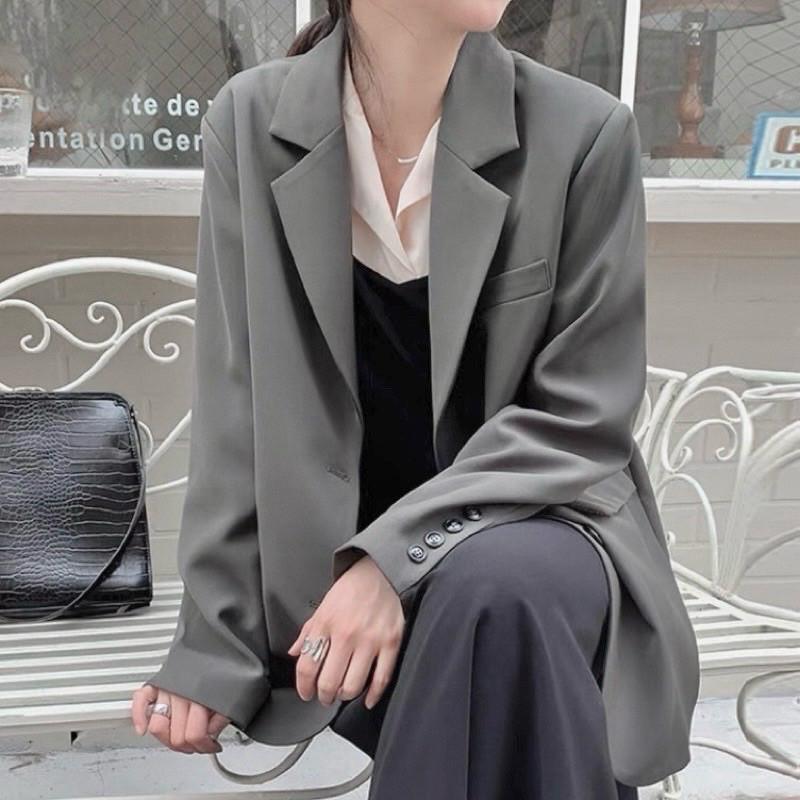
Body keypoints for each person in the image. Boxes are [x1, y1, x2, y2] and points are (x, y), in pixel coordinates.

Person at [131, 2, 701, 798]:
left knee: (495, 589)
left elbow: (579, 419)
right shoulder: (253, 122)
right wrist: (212, 644)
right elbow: (237, 407)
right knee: (496, 634)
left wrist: (391, 561)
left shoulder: (583, 131)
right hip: (333, 589)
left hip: (548, 521)